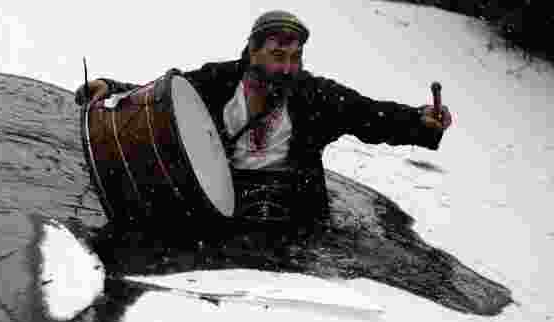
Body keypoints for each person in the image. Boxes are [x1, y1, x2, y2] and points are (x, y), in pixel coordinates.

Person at [75, 10, 453, 239]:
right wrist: (112, 88)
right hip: (221, 203)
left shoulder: (315, 98)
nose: (288, 67)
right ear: (252, 51)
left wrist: (420, 121)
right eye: (277, 55)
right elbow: (164, 99)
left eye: (294, 57)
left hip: (289, 217)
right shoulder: (218, 82)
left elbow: (372, 116)